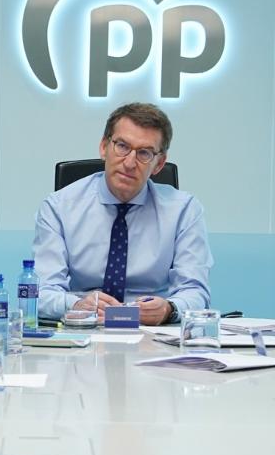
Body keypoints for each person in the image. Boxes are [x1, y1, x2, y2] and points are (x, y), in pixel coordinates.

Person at [32, 102, 212, 324]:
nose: (129, 163)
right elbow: (40, 292)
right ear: (104, 147)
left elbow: (196, 291)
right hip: (84, 327)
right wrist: (76, 305)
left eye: (144, 153)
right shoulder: (59, 207)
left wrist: (169, 308)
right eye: (122, 146)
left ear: (159, 164)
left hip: (152, 331)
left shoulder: (184, 210)